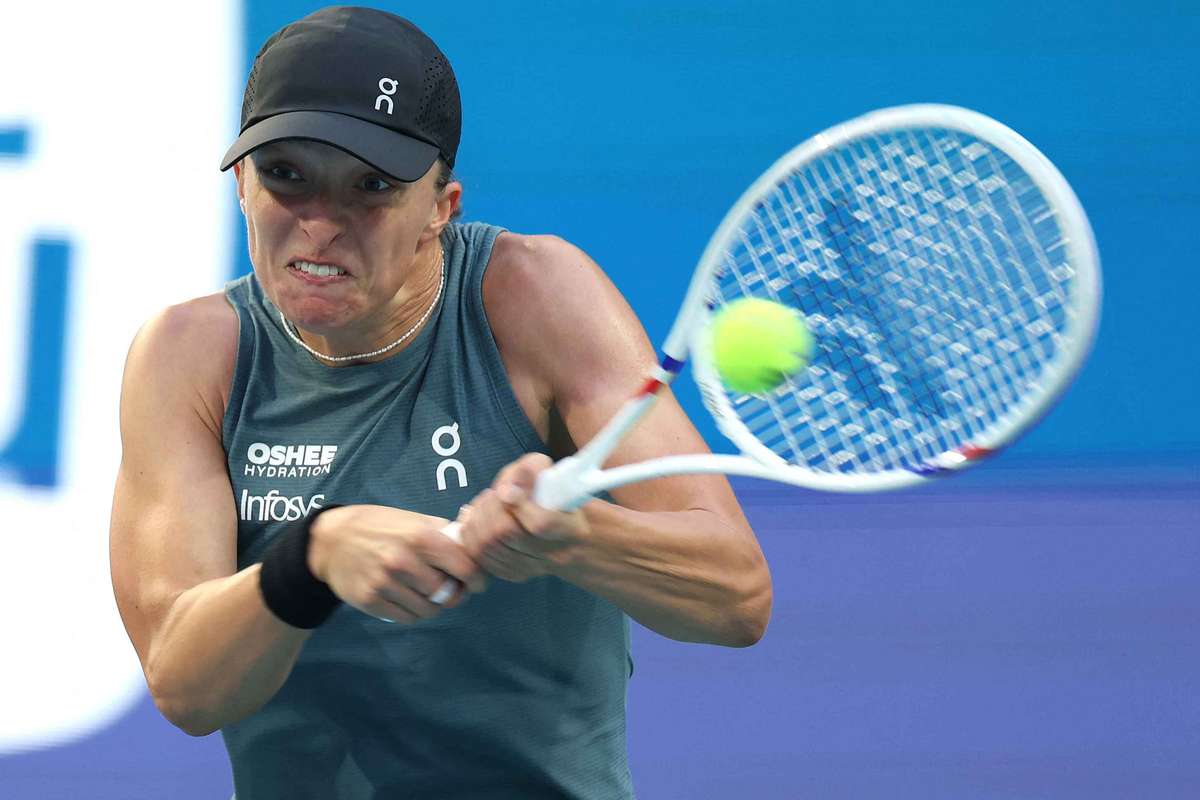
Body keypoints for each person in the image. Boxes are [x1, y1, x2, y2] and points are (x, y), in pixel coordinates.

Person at [109, 7, 771, 798]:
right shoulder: (190, 356)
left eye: (371, 187)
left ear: (441, 206)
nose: (320, 222)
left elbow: (737, 595)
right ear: (241, 183)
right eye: (287, 174)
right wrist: (309, 560)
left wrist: (576, 538)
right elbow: (185, 684)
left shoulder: (533, 297)